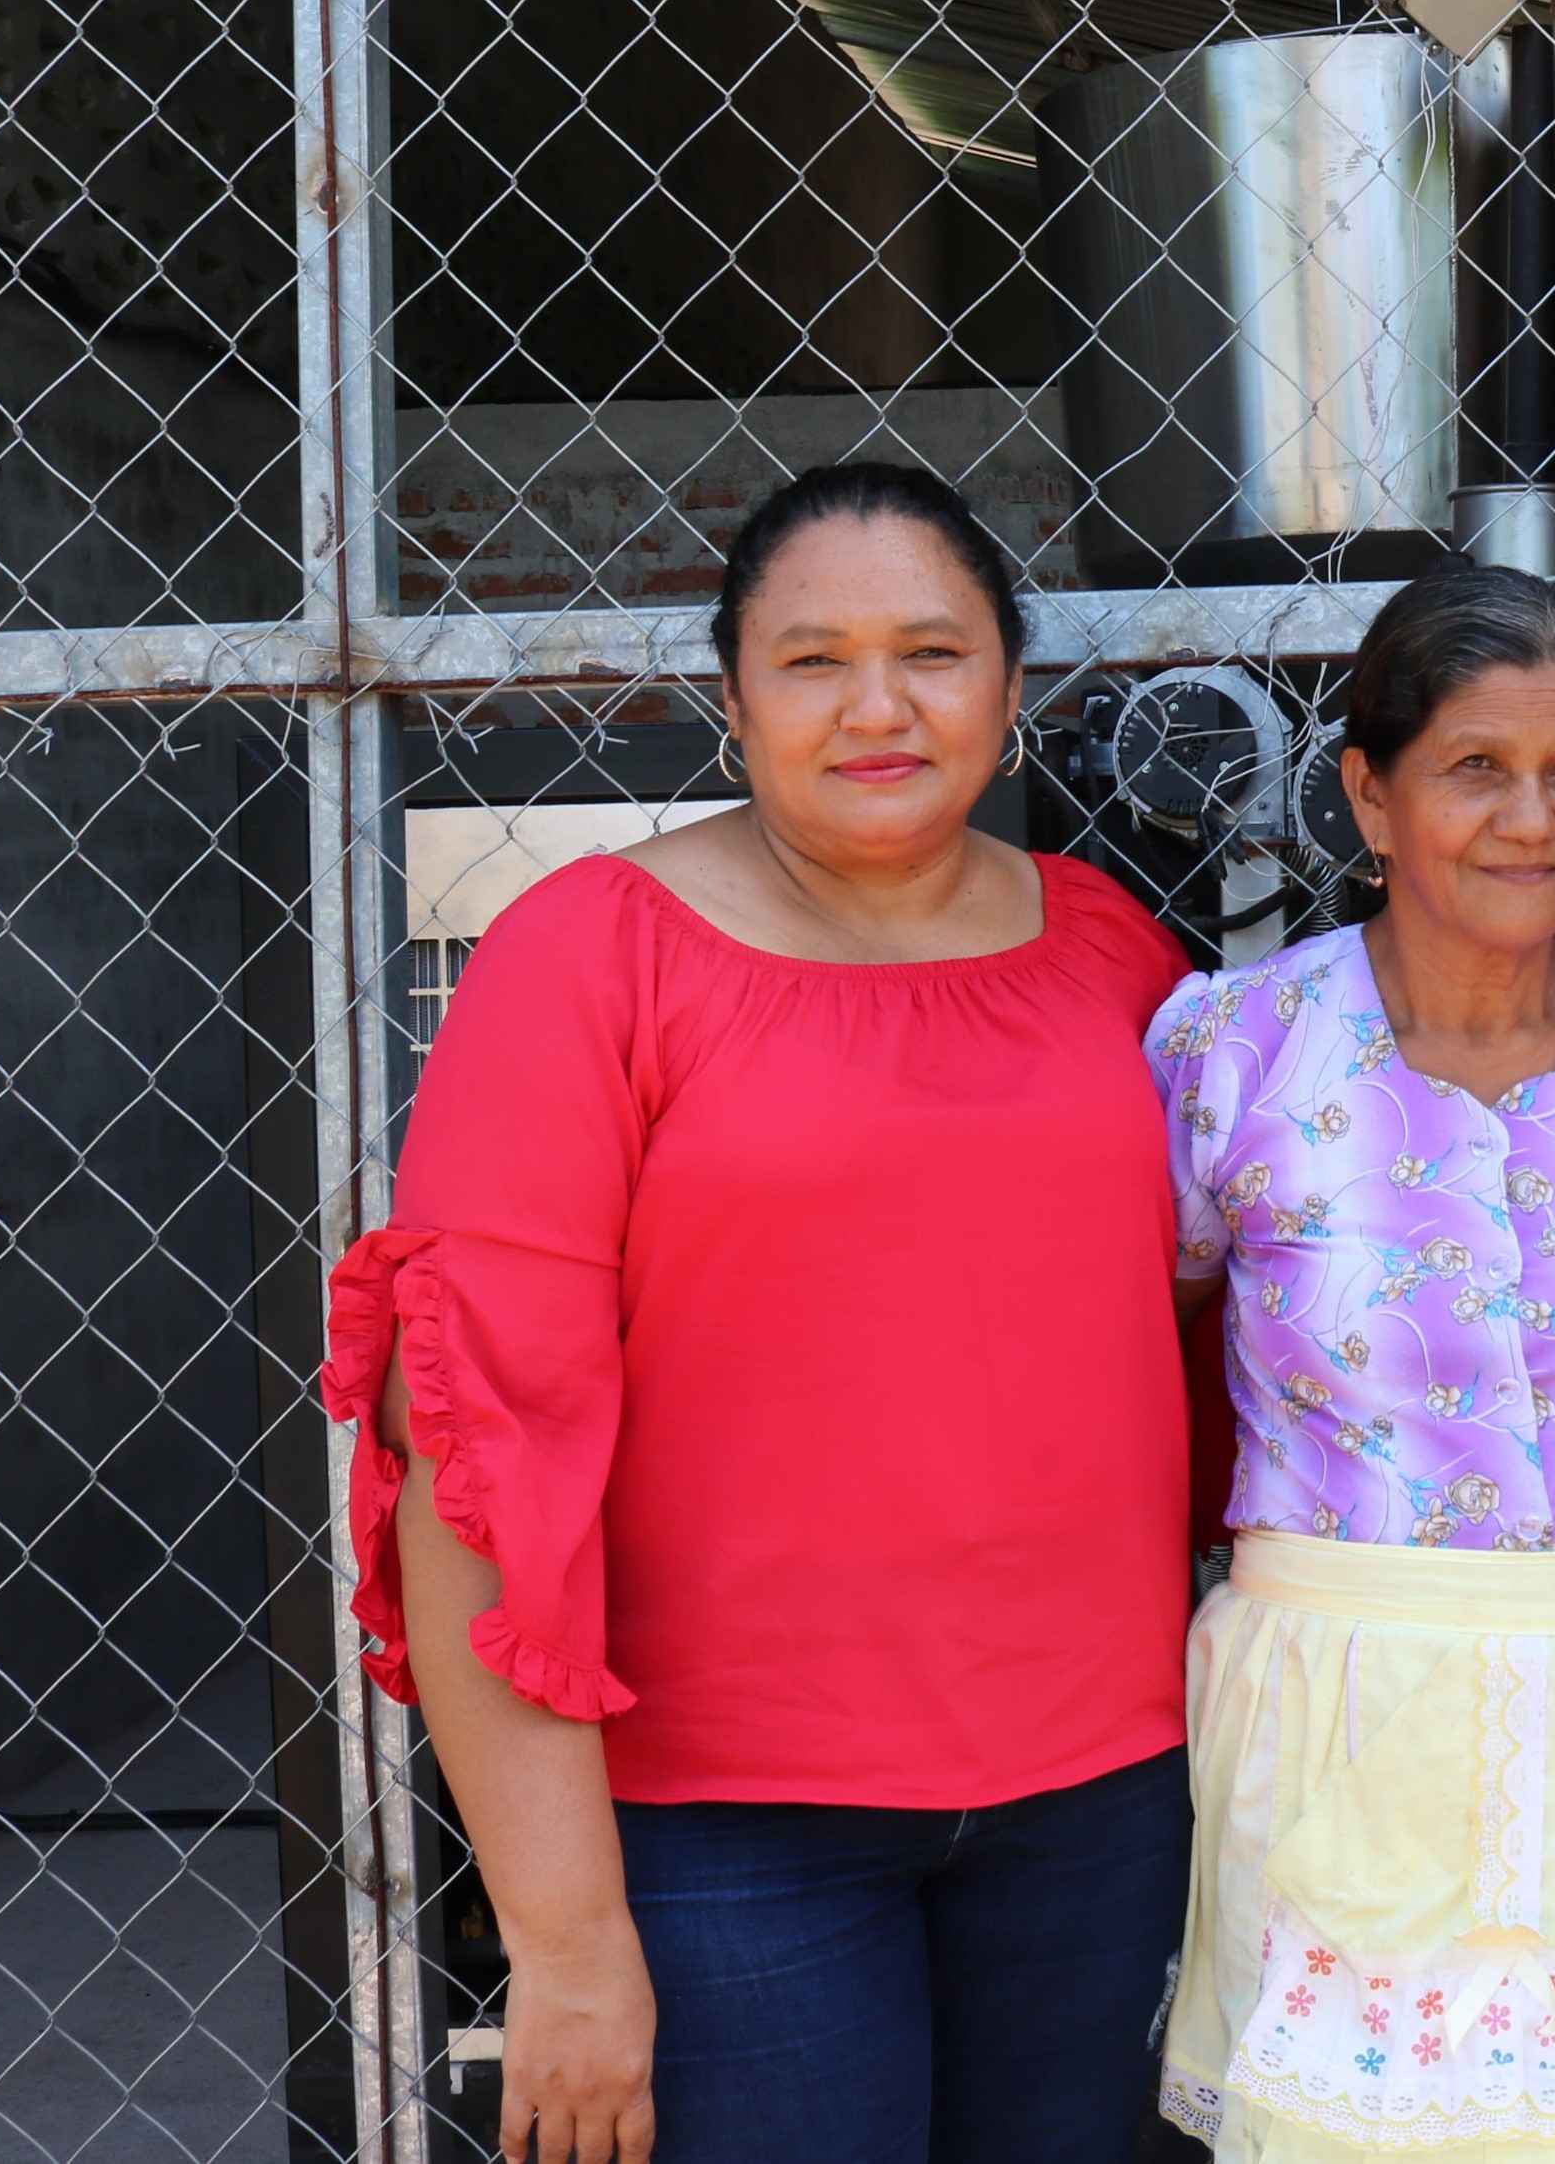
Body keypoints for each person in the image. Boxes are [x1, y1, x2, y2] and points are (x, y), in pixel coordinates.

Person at [318, 463, 1202, 2164]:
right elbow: (473, 1451)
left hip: (1097, 1804)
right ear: (732, 699)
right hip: (729, 1830)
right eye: (813, 660)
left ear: (1009, 689)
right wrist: (566, 1946)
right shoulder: (591, 956)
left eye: (933, 651)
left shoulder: (1113, 957)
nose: (879, 704)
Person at [1145, 563, 1555, 2163]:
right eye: (1474, 767)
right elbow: (1154, 1343)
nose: (1531, 817)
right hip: (1339, 1695)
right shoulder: (1234, 1047)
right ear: (1370, 792)